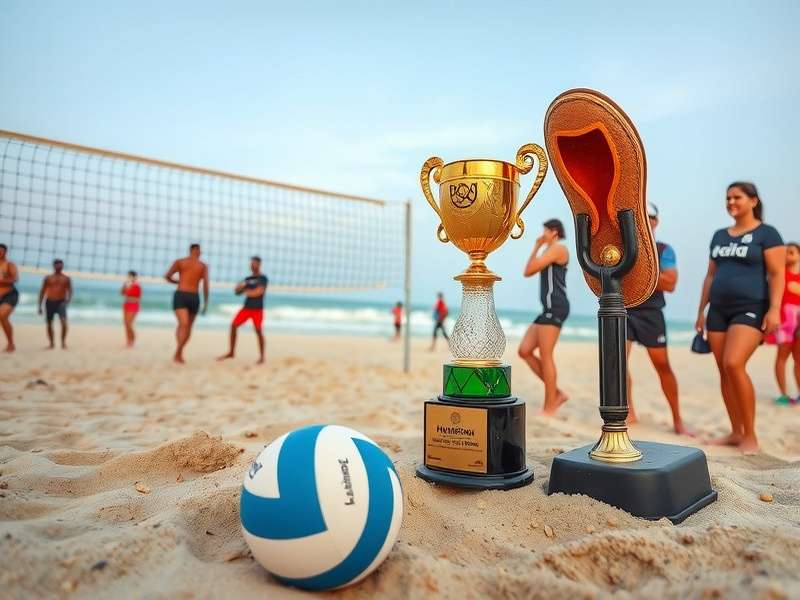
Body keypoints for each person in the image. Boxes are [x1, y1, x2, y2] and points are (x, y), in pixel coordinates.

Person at [695, 182, 785, 454]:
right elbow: (710, 275)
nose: (731, 201)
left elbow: (777, 273)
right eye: (728, 197)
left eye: (738, 197)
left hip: (752, 307)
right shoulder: (719, 235)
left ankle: (751, 436)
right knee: (723, 370)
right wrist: (701, 311)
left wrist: (775, 308)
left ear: (753, 201)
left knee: (734, 364)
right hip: (718, 311)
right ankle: (735, 432)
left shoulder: (767, 234)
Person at [626, 204, 693, 435]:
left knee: (662, 366)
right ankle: (630, 413)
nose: (645, 219)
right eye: (640, 215)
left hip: (651, 313)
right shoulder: (624, 247)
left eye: (650, 216)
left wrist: (642, 268)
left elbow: (670, 284)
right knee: (618, 364)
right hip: (625, 309)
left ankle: (678, 420)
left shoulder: (663, 249)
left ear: (656, 221)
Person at [518, 219, 570, 415]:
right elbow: (527, 271)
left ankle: (549, 406)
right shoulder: (547, 251)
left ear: (554, 231)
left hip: (556, 307)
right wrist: (537, 247)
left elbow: (531, 269)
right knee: (524, 350)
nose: (542, 234)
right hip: (546, 309)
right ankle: (556, 393)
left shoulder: (558, 249)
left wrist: (539, 247)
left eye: (545, 231)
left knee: (546, 355)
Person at [765, 241, 800, 405]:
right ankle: (784, 394)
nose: (788, 255)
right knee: (782, 356)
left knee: (798, 359)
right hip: (785, 322)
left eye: (792, 252)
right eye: (786, 252)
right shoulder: (780, 274)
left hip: (799, 322)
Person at [218, 256, 268, 364]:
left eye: (254, 263)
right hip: (247, 308)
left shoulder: (263, 278)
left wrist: (245, 290)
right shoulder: (247, 279)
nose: (252, 265)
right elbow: (237, 292)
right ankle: (231, 352)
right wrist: (239, 287)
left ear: (259, 264)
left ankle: (262, 357)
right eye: (251, 263)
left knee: (258, 331)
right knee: (233, 326)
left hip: (257, 309)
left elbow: (258, 292)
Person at [165, 244, 209, 363]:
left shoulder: (203, 266)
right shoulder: (180, 262)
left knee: (188, 327)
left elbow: (205, 285)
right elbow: (167, 276)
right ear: (191, 250)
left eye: (200, 250)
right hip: (181, 295)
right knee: (183, 324)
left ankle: (179, 352)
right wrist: (179, 282)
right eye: (197, 250)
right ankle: (178, 353)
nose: (199, 252)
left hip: (194, 297)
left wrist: (206, 303)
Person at [38, 258, 72, 349]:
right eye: (57, 264)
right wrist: (39, 306)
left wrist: (68, 302)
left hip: (61, 302)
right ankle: (51, 343)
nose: (59, 266)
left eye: (60, 264)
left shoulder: (66, 278)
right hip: (49, 301)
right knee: (49, 323)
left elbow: (70, 291)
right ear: (54, 266)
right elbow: (42, 291)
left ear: (62, 266)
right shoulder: (48, 278)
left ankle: (63, 343)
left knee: (64, 323)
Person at [0, 243, 19, 352]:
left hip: (9, 294)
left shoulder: (9, 264)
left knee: (2, 316)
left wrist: (2, 280)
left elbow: (15, 279)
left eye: (1, 251)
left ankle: (11, 344)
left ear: (5, 252)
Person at [121, 271, 142, 347]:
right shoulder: (127, 284)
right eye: (128, 276)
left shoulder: (137, 285)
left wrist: (132, 299)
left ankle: (133, 340)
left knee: (129, 324)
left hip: (133, 305)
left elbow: (139, 298)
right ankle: (128, 341)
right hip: (126, 304)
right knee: (126, 324)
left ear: (134, 277)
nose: (129, 277)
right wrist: (124, 285)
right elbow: (122, 293)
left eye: (130, 276)